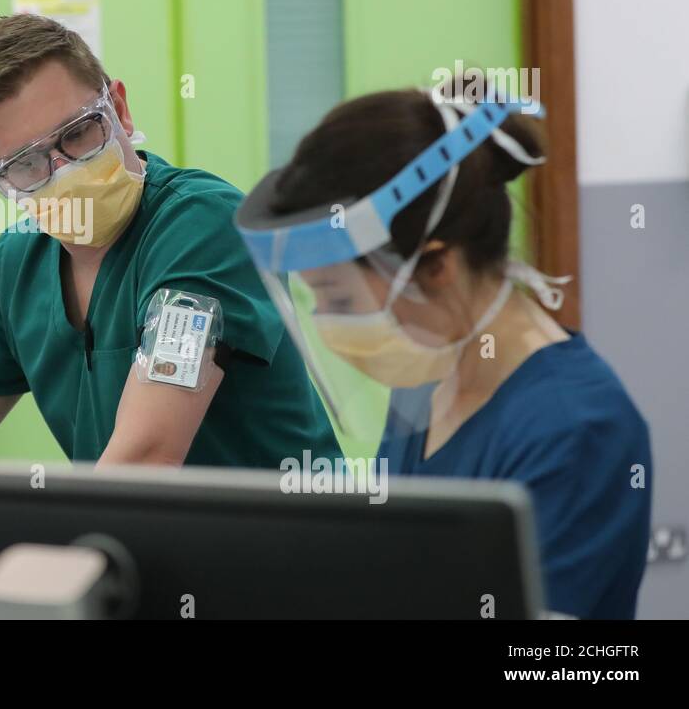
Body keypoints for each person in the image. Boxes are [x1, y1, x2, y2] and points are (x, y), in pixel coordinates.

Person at [236, 85, 652, 618]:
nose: (327, 322)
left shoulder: (578, 427)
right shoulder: (425, 374)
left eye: (339, 296)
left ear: (436, 266)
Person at [0, 14, 339, 468]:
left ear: (118, 107)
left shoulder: (204, 227)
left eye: (78, 133)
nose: (65, 171)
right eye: (26, 164)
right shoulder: (18, 265)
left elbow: (147, 454)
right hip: (135, 533)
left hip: (282, 536)